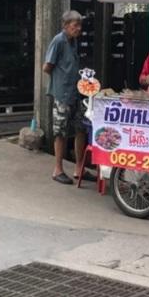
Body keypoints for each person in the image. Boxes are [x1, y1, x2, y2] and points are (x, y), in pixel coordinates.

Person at [43, 10, 91, 185]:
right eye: (75, 25)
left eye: (80, 25)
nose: (79, 29)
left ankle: (79, 168)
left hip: (76, 92)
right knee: (60, 132)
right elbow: (47, 67)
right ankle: (58, 169)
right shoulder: (58, 41)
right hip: (62, 94)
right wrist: (60, 78)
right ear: (65, 25)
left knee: (81, 128)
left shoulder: (73, 41)